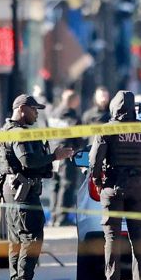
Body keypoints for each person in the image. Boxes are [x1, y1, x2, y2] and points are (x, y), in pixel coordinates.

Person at [0, 94, 75, 280]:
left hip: (11, 190)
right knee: (32, 238)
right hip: (23, 192)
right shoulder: (19, 134)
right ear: (22, 109)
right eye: (34, 109)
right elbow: (28, 161)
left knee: (16, 239)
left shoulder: (5, 131)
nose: (37, 114)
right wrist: (54, 156)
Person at [89, 90, 141, 280]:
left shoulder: (107, 130)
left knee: (112, 238)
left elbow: (94, 162)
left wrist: (98, 181)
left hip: (112, 188)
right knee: (138, 238)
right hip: (137, 189)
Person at [49, 88, 84, 226]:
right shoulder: (72, 116)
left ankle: (53, 217)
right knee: (66, 185)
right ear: (73, 101)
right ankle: (62, 217)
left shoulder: (54, 113)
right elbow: (77, 136)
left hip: (53, 153)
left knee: (55, 184)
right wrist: (77, 148)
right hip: (66, 153)